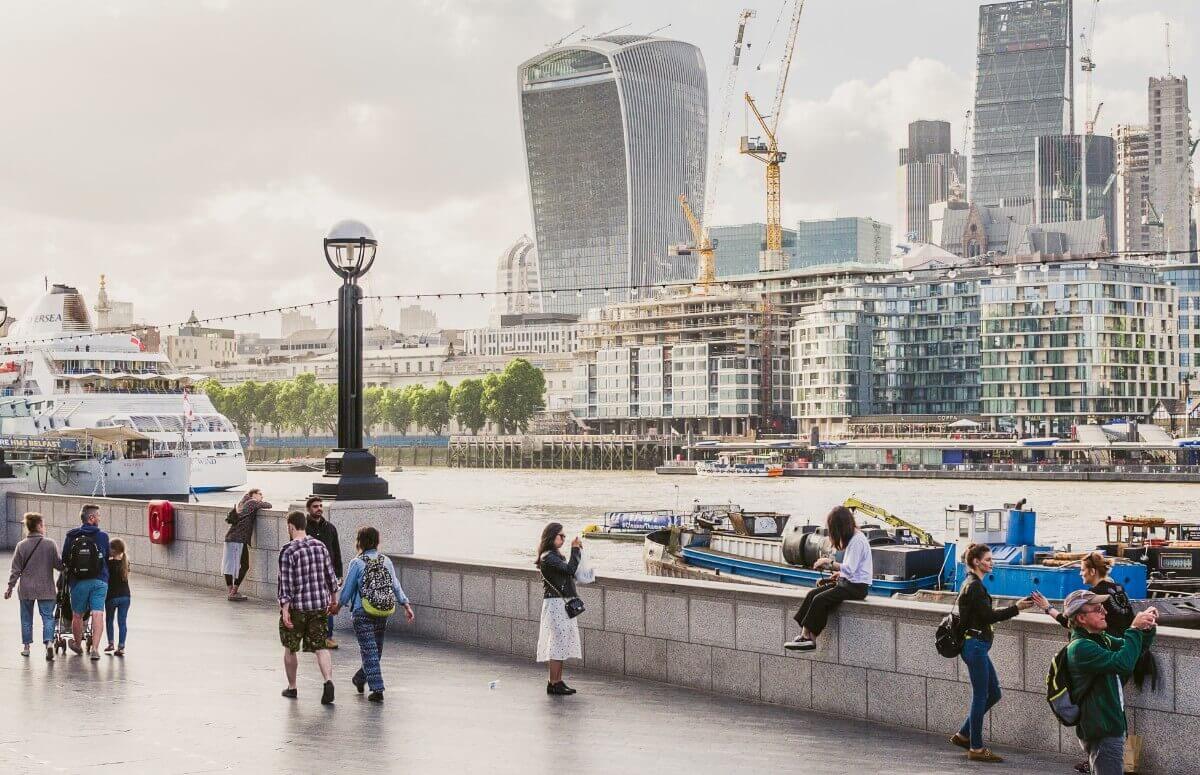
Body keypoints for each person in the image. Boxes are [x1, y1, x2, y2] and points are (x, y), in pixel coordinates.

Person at [950, 543, 1038, 763]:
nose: (992, 563)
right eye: (988, 560)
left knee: (994, 693)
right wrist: (1017, 608)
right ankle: (976, 748)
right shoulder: (975, 586)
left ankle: (963, 735)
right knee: (981, 696)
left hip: (976, 646)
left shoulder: (971, 583)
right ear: (977, 562)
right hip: (975, 647)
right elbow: (989, 616)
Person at [1062, 589, 1158, 775]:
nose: (1105, 612)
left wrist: (1146, 629)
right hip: (1102, 729)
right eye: (1098, 609)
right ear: (1081, 618)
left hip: (1108, 723)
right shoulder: (1081, 647)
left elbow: (1132, 650)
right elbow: (1124, 664)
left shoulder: (1099, 639)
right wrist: (1134, 629)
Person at [332, 526, 413, 702]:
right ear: (377, 541)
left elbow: (347, 589)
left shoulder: (357, 562)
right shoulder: (386, 561)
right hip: (382, 610)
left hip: (362, 612)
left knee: (370, 651)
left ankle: (368, 684)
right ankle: (373, 685)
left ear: (359, 541)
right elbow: (395, 585)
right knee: (375, 651)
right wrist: (405, 604)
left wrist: (338, 606)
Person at [785, 506, 872, 652]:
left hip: (856, 587)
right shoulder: (855, 537)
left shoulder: (857, 541)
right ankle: (804, 635)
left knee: (820, 599)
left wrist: (828, 563)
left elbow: (850, 568)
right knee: (812, 594)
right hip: (850, 582)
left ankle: (809, 639)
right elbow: (854, 568)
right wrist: (839, 574)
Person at [277, 510, 339, 704]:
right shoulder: (320, 546)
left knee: (290, 648)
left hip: (297, 608)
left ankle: (292, 687)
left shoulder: (288, 550)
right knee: (321, 646)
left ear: (291, 526)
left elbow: (286, 584)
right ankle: (328, 680)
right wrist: (333, 600)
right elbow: (331, 577)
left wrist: (285, 610)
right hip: (319, 606)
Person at [5, 512, 62, 661]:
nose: (45, 527)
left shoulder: (21, 546)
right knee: (48, 617)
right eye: (43, 524)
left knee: (26, 618)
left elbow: (15, 570)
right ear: (38, 526)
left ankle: (26, 648)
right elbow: (59, 565)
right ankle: (49, 642)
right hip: (46, 588)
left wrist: (10, 588)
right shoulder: (50, 544)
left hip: (26, 588)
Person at [535, 522, 582, 696]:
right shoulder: (548, 557)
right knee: (557, 644)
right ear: (551, 536)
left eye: (565, 536)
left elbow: (569, 572)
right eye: (560, 536)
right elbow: (570, 570)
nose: (563, 539)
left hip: (559, 604)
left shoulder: (554, 556)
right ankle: (553, 683)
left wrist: (577, 551)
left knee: (561, 643)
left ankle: (558, 681)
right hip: (555, 605)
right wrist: (575, 550)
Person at [62, 504, 111, 660]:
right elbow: (107, 558)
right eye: (98, 515)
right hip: (100, 580)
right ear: (91, 518)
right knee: (98, 613)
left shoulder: (71, 536)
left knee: (77, 615)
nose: (99, 518)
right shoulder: (103, 536)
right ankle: (95, 649)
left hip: (78, 582)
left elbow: (64, 559)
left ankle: (77, 644)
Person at [304, 496, 343, 649]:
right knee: (310, 604)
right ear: (308, 509)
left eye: (320, 506)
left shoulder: (330, 528)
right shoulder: (303, 528)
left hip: (327, 573)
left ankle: (328, 636)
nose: (319, 508)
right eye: (315, 506)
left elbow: (337, 552)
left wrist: (339, 574)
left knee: (329, 604)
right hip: (308, 574)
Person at [224, 489, 271, 601]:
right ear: (253, 494)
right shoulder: (252, 502)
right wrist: (257, 500)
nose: (262, 496)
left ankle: (230, 591)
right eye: (260, 494)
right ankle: (233, 592)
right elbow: (268, 505)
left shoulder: (242, 502)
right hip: (239, 539)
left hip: (231, 537)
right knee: (244, 565)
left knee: (228, 566)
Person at [104, 538, 132, 657]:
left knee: (109, 620)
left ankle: (111, 643)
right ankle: (121, 647)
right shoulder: (126, 563)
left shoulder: (109, 564)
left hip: (112, 596)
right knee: (122, 622)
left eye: (109, 548)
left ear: (114, 550)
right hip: (125, 596)